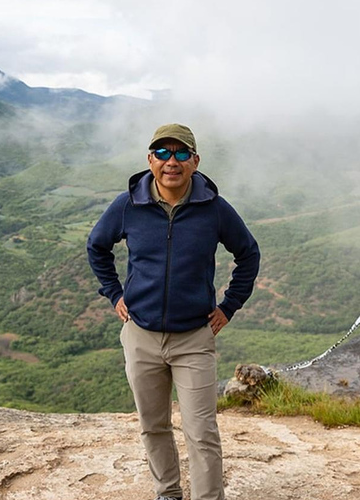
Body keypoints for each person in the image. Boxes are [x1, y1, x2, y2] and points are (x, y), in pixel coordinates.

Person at [87, 123, 260, 500]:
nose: (171, 162)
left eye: (181, 153)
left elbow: (248, 254)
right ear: (150, 159)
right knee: (153, 425)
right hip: (140, 335)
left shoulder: (213, 208)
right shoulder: (128, 205)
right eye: (163, 153)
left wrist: (229, 306)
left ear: (195, 162)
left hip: (194, 338)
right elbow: (96, 247)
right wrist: (114, 292)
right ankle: (168, 492)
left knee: (201, 431)